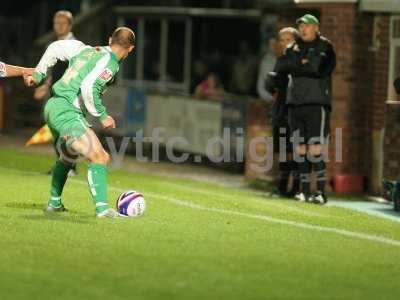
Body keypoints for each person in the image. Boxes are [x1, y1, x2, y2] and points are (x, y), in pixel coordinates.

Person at [24, 27, 136, 218]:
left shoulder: (84, 49)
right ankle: (102, 210)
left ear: (110, 40)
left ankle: (54, 204)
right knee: (100, 157)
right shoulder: (110, 64)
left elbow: (54, 47)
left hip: (53, 106)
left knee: (68, 156)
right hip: (67, 111)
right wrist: (102, 115)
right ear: (131, 49)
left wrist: (39, 74)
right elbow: (88, 87)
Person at [275, 14, 336, 204]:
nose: (303, 29)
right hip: (295, 104)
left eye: (307, 26)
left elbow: (317, 69)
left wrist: (300, 64)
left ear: (316, 27)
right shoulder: (292, 47)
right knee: (300, 150)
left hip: (316, 104)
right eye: (300, 26)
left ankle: (319, 192)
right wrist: (303, 63)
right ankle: (302, 191)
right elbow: (283, 67)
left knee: (315, 149)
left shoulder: (325, 46)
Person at [34, 10, 78, 176]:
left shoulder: (75, 45)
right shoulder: (52, 45)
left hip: (69, 95)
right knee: (54, 130)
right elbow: (52, 71)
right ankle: (63, 165)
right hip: (54, 94)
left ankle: (70, 167)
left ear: (70, 25)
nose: (59, 26)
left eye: (62, 23)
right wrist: (45, 85)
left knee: (66, 131)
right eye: (56, 23)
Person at [266, 27, 300, 198]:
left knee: (296, 150)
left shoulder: (301, 60)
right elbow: (275, 88)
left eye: (289, 39)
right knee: (282, 150)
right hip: (281, 110)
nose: (285, 43)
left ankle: (295, 188)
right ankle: (281, 187)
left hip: (296, 111)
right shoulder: (280, 60)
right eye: (282, 40)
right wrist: (271, 85)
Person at [257, 37, 277, 102]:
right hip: (269, 101)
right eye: (271, 45)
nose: (273, 47)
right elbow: (260, 86)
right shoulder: (265, 61)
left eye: (275, 44)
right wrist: (270, 98)